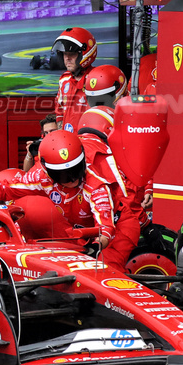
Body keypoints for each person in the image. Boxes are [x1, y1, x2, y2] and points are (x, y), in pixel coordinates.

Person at [0, 130, 115, 252]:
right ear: (48, 170)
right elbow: (5, 189)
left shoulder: (96, 186)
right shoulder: (40, 177)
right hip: (63, 238)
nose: (72, 178)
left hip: (93, 240)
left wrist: (96, 247)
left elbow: (106, 228)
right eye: (63, 174)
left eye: (76, 169)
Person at [76, 107, 143, 272]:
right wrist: (147, 224)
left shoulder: (69, 148)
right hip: (113, 224)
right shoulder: (108, 156)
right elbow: (127, 198)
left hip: (78, 226)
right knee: (107, 272)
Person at [53, 26, 98, 133]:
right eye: (64, 54)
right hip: (69, 143)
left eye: (72, 54)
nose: (67, 58)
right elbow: (59, 112)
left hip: (91, 140)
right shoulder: (64, 79)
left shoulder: (99, 78)